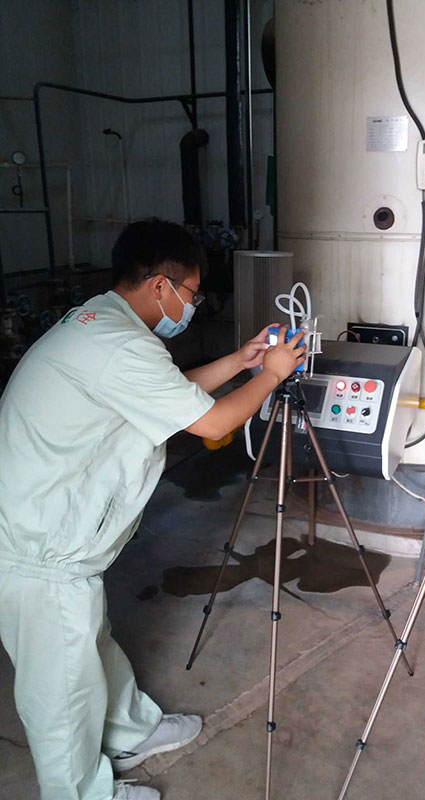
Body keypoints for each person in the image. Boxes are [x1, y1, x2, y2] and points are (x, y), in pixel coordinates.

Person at [0, 218, 305, 800]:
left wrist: (240, 362)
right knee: (61, 688)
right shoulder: (119, 345)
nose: (192, 306)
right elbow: (211, 422)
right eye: (192, 293)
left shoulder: (100, 322)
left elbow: (169, 391)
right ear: (161, 284)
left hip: (46, 532)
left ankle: (130, 731)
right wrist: (270, 376)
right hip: (37, 548)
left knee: (86, 643)